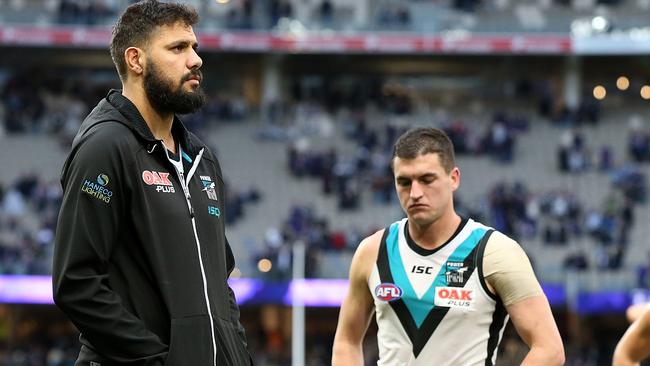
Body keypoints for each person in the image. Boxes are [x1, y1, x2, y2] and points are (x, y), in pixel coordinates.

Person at [52, 1, 251, 365]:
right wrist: (156, 360)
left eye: (194, 47)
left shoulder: (202, 160)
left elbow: (219, 283)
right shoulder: (104, 147)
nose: (196, 60)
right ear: (135, 60)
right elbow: (77, 283)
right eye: (177, 48)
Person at [332, 127, 564, 365]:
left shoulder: (495, 252)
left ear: (454, 178)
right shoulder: (373, 251)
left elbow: (549, 348)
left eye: (426, 179)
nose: (415, 193)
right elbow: (346, 342)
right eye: (404, 182)